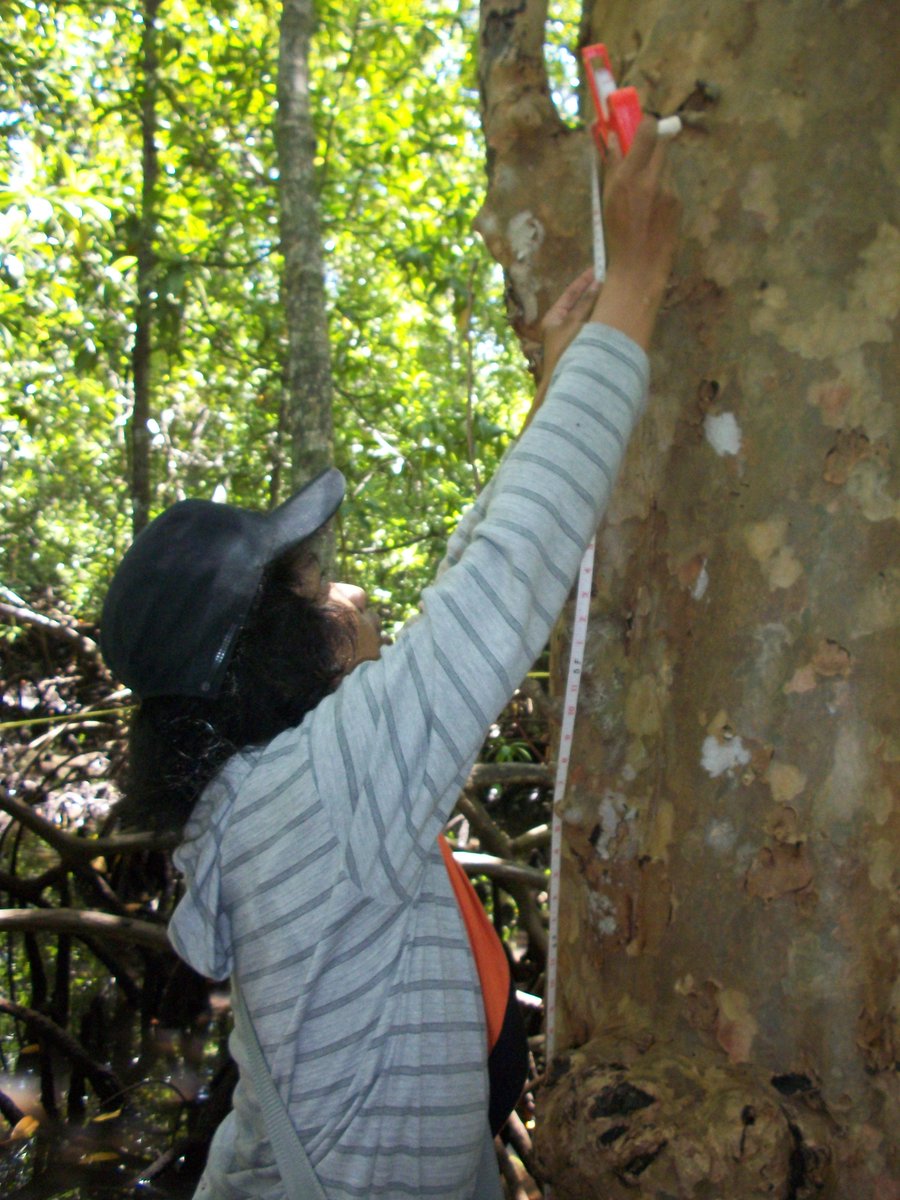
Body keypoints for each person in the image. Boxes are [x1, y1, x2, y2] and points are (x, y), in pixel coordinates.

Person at [100, 119, 680, 1200]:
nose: (351, 591)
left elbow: (455, 615)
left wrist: (555, 387)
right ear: (269, 651)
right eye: (317, 588)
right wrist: (636, 290)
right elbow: (501, 582)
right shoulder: (316, 801)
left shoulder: (262, 803)